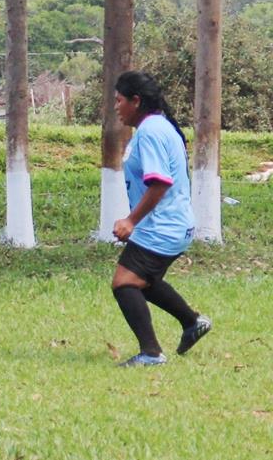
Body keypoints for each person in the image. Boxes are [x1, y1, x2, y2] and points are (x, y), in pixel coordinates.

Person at [111, 71, 212, 367]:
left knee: (124, 283)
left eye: (119, 101)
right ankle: (193, 322)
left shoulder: (152, 131)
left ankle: (151, 353)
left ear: (136, 101)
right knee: (145, 280)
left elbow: (160, 183)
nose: (116, 107)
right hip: (169, 224)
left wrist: (130, 220)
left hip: (162, 227)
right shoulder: (156, 126)